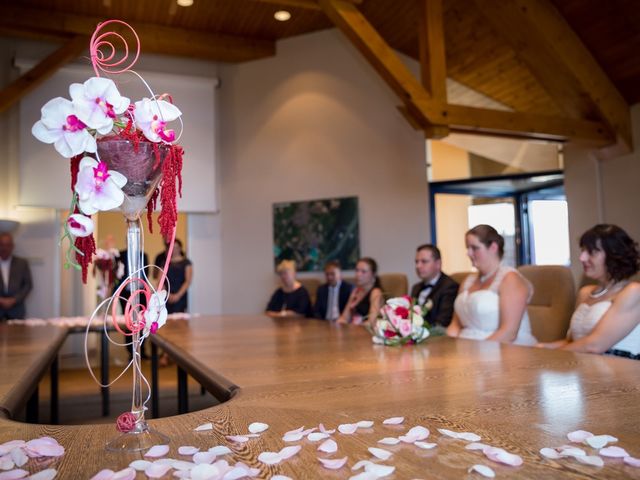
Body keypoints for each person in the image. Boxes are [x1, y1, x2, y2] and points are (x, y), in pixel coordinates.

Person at [537, 224, 640, 358]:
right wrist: (541, 347)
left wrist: (548, 355)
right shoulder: (585, 293)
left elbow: (595, 345)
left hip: (622, 370)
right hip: (586, 367)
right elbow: (573, 343)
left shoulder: (633, 292)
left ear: (613, 254)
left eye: (591, 252)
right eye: (583, 250)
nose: (582, 258)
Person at [447, 225, 537, 345]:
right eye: (467, 248)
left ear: (493, 247)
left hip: (503, 349)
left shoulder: (510, 279)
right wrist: (446, 347)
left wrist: (472, 355)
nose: (468, 253)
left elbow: (509, 333)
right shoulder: (467, 281)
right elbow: (455, 325)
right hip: (466, 348)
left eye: (474, 248)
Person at [410, 244, 459, 328]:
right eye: (416, 262)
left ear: (438, 264)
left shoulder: (450, 286)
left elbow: (443, 322)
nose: (418, 266)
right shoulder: (416, 288)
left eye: (424, 261)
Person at [338, 257, 383, 325]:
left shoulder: (376, 292)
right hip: (354, 330)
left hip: (367, 333)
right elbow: (344, 318)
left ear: (373, 274)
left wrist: (352, 327)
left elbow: (372, 322)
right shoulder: (356, 291)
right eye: (357, 270)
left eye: (363, 271)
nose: (358, 274)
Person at [0, 233, 32, 321]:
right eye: (2, 245)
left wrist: (14, 300)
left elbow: (28, 285)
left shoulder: (22, 263)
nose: (4, 248)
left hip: (16, 311)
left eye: (7, 245)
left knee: (18, 335)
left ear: (12, 246)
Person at [163, 239, 193, 314]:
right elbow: (160, 281)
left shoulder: (186, 262)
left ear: (180, 248)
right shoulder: (165, 263)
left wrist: (178, 295)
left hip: (181, 296)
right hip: (167, 296)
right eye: (172, 247)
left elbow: (188, 281)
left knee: (180, 321)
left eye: (176, 247)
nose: (175, 250)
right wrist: (167, 295)